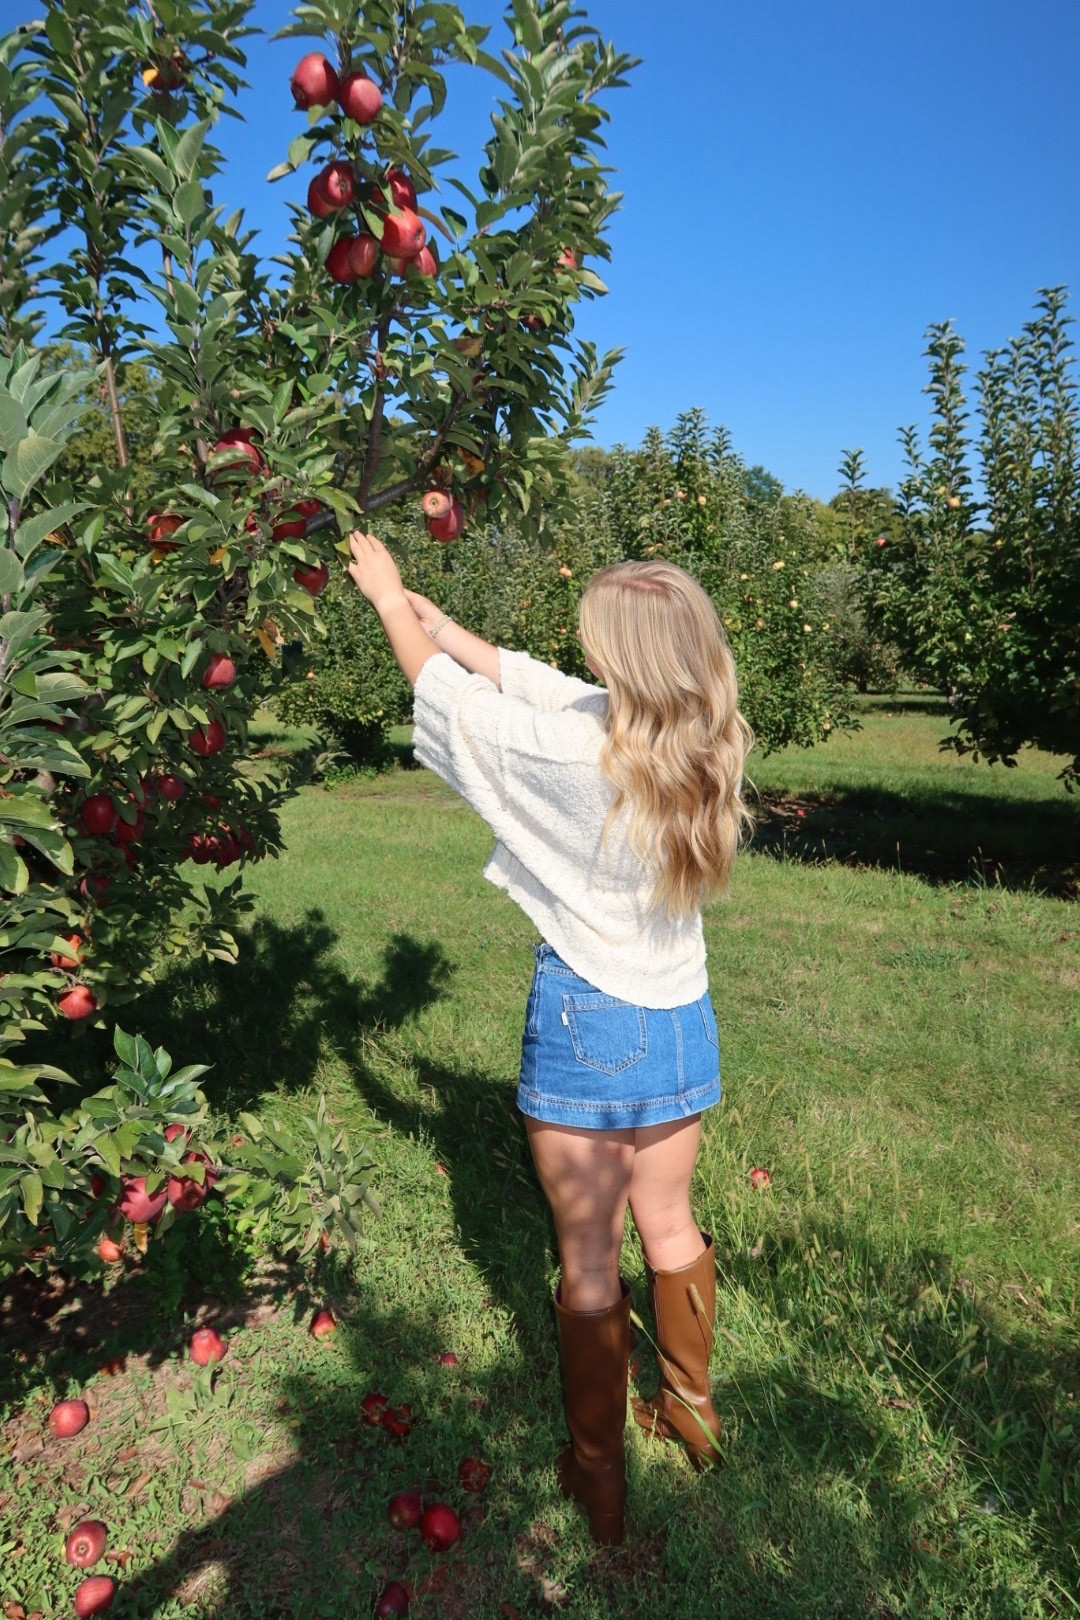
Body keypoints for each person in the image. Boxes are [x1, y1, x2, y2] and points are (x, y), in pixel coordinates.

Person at [345, 530, 755, 1547]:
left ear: (628, 665)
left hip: (591, 1019)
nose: (585, 662)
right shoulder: (696, 739)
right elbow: (526, 680)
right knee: (670, 1224)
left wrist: (394, 603)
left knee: (587, 1260)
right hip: (682, 1021)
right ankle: (694, 1416)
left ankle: (597, 1476)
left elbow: (455, 707)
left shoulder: (579, 754)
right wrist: (449, 622)